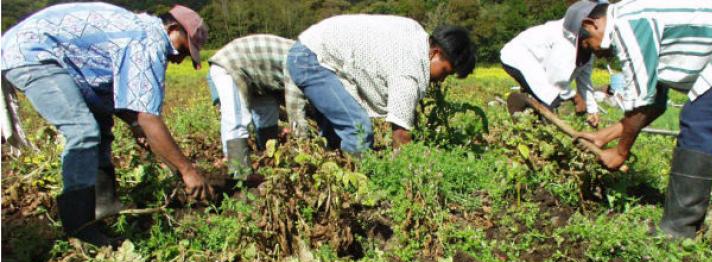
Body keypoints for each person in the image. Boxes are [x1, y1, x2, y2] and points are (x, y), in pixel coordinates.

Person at [1, 2, 215, 247]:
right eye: (183, 49)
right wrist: (188, 171)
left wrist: (134, 124)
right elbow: (147, 116)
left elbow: (124, 103)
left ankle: (104, 208)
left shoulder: (138, 32)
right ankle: (79, 228)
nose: (179, 59)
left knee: (100, 125)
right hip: (32, 53)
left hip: (54, 57)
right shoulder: (148, 40)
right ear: (172, 29)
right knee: (83, 131)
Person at [565, 0, 712, 238]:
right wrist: (604, 136)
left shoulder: (626, 25)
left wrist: (620, 152)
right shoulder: (636, 18)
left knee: (700, 120)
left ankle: (678, 231)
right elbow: (655, 104)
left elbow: (641, 104)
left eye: (587, 44)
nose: (594, 53)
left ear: (592, 24)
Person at [286, 14, 476, 154]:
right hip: (312, 59)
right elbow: (401, 135)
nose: (442, 80)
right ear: (435, 53)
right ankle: (357, 190)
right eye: (445, 71)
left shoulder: (416, 34)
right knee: (358, 131)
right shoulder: (409, 70)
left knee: (334, 137)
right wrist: (408, 173)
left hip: (314, 52)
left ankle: (333, 180)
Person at [207, 34, 309, 174]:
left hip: (260, 78)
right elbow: (295, 109)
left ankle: (268, 162)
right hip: (230, 64)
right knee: (237, 119)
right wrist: (304, 148)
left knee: (268, 117)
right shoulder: (302, 63)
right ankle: (239, 174)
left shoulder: (306, 60)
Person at [500, 18, 600, 127]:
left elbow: (584, 80)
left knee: (550, 99)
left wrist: (592, 110)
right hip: (519, 56)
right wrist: (575, 97)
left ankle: (533, 123)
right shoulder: (566, 41)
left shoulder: (589, 50)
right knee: (551, 98)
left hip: (539, 65)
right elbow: (556, 80)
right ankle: (521, 107)